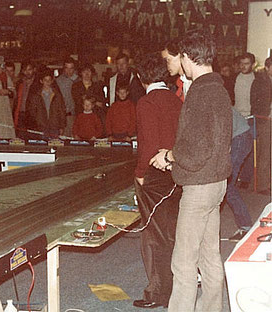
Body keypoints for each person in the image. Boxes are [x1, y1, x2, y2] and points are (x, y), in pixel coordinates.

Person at [149, 29, 232, 312]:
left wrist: (169, 156)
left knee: (183, 263)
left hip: (198, 187)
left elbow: (195, 150)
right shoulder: (219, 88)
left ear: (187, 57)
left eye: (180, 58)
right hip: (217, 183)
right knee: (209, 256)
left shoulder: (200, 92)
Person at [132, 52, 183, 309]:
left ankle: (157, 293)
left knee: (153, 236)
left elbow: (148, 146)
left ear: (141, 77)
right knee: (172, 234)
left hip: (155, 175)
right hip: (177, 173)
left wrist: (140, 174)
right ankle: (175, 289)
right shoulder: (177, 100)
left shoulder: (146, 102)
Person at [225, 107, 253, 241]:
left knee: (228, 186)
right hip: (241, 135)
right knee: (227, 185)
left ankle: (246, 227)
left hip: (239, 138)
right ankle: (245, 226)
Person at [234, 53, 256, 189]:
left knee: (249, 150)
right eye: (241, 63)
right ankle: (234, 177)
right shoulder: (236, 77)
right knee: (235, 149)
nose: (243, 66)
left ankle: (246, 179)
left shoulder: (256, 79)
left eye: (246, 63)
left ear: (252, 65)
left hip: (250, 118)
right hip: (237, 117)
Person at [250, 56, 272, 196]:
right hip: (264, 120)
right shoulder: (259, 81)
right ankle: (263, 185)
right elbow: (254, 102)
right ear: (268, 67)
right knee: (264, 153)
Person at [26, 69, 66, 139]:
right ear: (41, 81)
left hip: (55, 126)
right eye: (45, 80)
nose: (47, 82)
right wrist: (38, 122)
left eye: (49, 80)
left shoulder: (57, 95)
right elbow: (32, 111)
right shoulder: (36, 96)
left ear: (52, 81)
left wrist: (62, 126)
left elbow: (61, 111)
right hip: (41, 127)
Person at [71, 63, 106, 128]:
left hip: (95, 118)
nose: (87, 74)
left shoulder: (97, 86)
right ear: (81, 73)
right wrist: (94, 101)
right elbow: (78, 101)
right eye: (84, 72)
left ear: (92, 73)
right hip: (81, 116)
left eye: (89, 71)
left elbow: (101, 102)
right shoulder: (76, 86)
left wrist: (86, 97)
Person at [14, 60, 40, 139]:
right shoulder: (19, 83)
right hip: (21, 115)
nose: (27, 72)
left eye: (29, 69)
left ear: (34, 70)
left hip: (34, 117)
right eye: (25, 70)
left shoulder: (39, 84)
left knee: (34, 140)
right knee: (21, 140)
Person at [55, 58, 79, 137]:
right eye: (67, 68)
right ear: (63, 68)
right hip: (64, 116)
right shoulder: (58, 81)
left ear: (74, 69)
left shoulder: (79, 80)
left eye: (71, 68)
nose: (69, 71)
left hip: (77, 115)